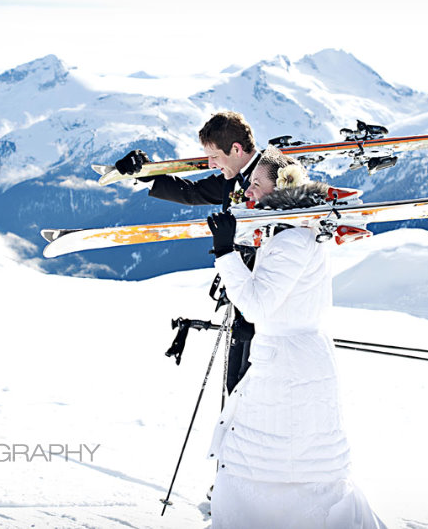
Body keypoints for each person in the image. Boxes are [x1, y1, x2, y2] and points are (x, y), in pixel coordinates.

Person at [205, 148, 386, 528]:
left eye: (257, 183)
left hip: (287, 366)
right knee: (286, 461)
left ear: (280, 188)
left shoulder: (292, 240)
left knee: (271, 465)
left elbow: (257, 306)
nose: (249, 190)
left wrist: (225, 254)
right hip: (292, 359)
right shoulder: (297, 233)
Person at [116, 111, 261, 392]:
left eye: (215, 157)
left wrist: (261, 320)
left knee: (256, 393)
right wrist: (147, 173)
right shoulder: (233, 176)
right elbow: (193, 192)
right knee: (236, 391)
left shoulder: (272, 176)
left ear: (236, 149)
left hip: (267, 310)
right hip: (242, 296)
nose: (210, 164)